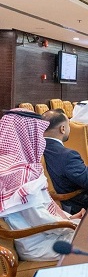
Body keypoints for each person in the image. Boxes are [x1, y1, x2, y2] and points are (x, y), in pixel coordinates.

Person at [0, 110, 83, 261]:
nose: (41, 139)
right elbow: (38, 218)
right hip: (39, 243)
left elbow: (43, 207)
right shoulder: (18, 173)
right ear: (27, 135)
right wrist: (73, 224)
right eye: (38, 133)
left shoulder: (14, 166)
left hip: (47, 233)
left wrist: (69, 218)